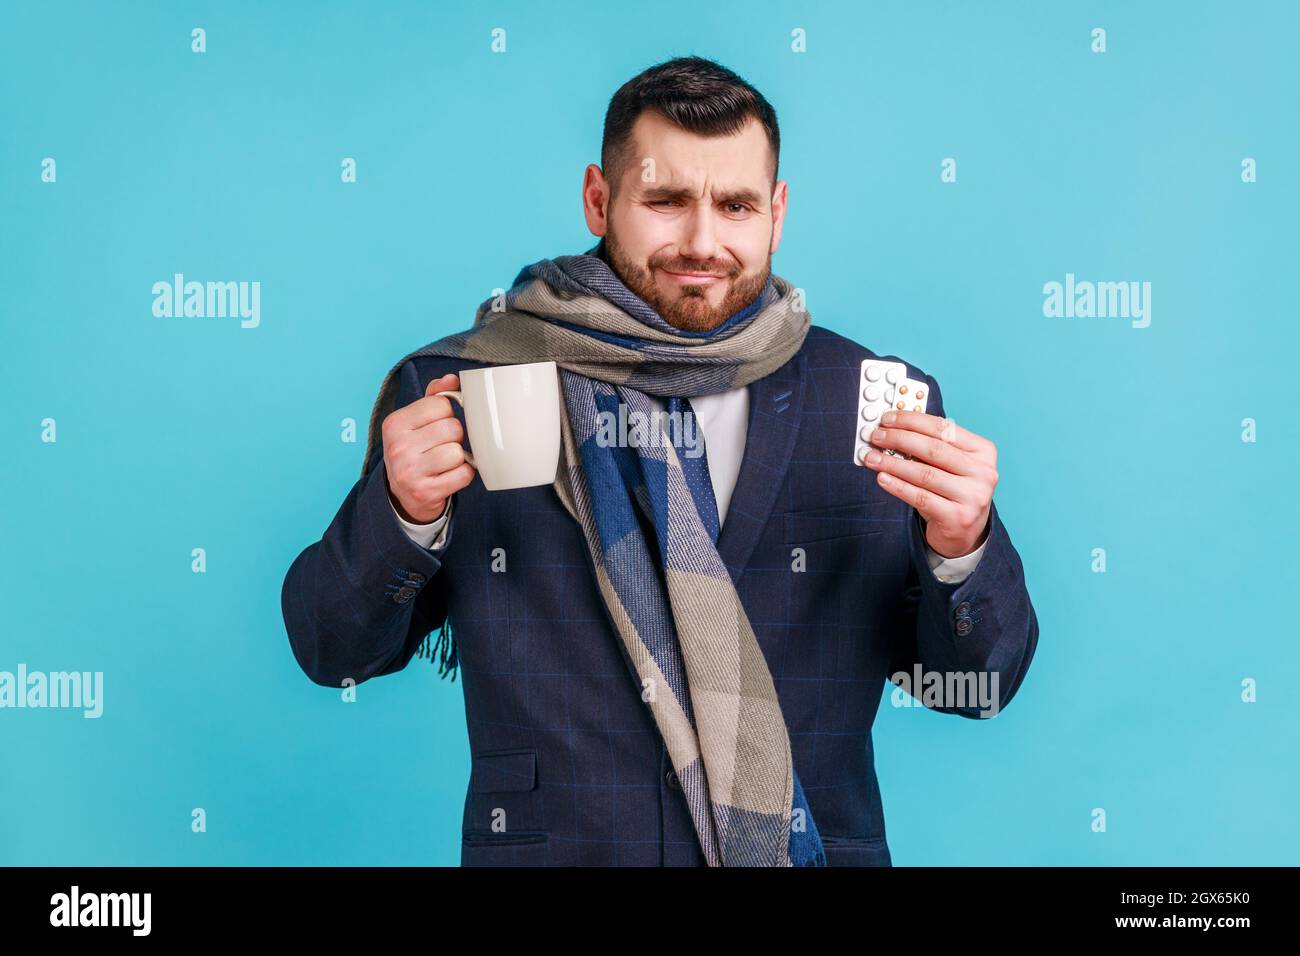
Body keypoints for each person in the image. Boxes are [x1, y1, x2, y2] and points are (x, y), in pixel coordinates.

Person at [281, 55, 1038, 866]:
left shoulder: (870, 401)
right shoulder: (464, 387)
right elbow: (333, 652)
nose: (702, 241)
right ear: (599, 201)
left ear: (777, 214)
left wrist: (963, 550)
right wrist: (401, 515)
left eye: (736, 204)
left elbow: (975, 689)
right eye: (667, 201)